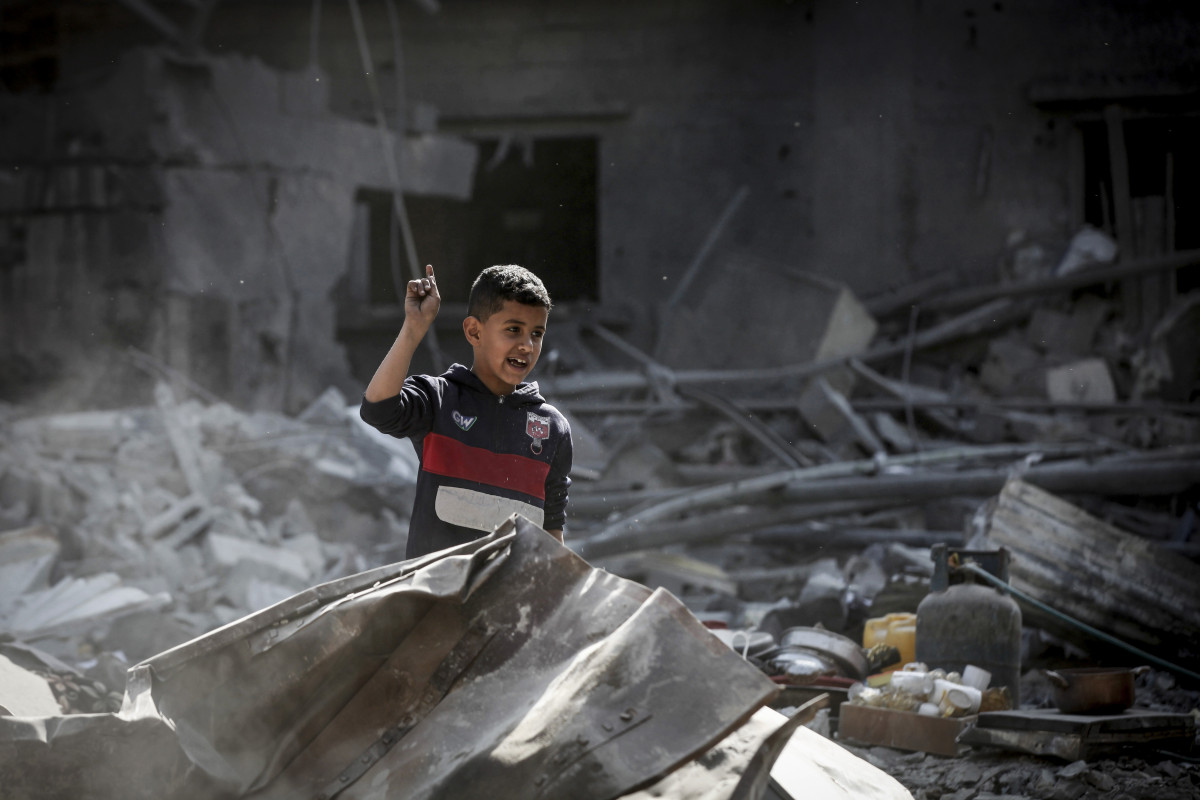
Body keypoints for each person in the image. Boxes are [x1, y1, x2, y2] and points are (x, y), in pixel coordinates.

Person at [360, 263, 573, 560]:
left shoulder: (552, 428)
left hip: (510, 603)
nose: (526, 346)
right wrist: (414, 328)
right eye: (513, 330)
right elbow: (377, 409)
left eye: (536, 333)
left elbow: (552, 529)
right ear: (474, 331)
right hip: (435, 598)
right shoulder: (440, 399)